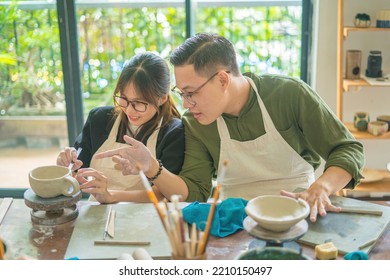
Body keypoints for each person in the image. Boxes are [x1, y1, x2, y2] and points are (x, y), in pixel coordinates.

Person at [95, 33, 365, 222]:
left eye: (191, 93)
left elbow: (348, 150)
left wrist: (322, 187)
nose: (186, 104)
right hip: (235, 220)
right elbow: (194, 190)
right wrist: (152, 168)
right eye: (181, 93)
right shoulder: (196, 123)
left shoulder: (289, 95)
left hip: (299, 211)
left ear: (222, 79)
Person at [56, 52, 184, 203]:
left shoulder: (173, 132)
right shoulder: (99, 119)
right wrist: (66, 167)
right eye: (123, 99)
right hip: (98, 212)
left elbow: (163, 194)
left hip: (147, 218)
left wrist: (110, 196)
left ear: (162, 98)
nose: (129, 110)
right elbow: (77, 175)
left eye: (139, 103)